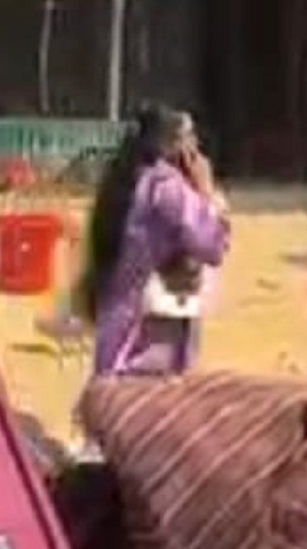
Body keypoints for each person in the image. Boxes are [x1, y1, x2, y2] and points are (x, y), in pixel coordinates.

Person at [76, 104, 230, 378]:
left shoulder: (123, 181)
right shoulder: (166, 188)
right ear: (175, 145)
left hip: (116, 335)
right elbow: (212, 245)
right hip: (147, 347)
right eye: (190, 138)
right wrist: (206, 191)